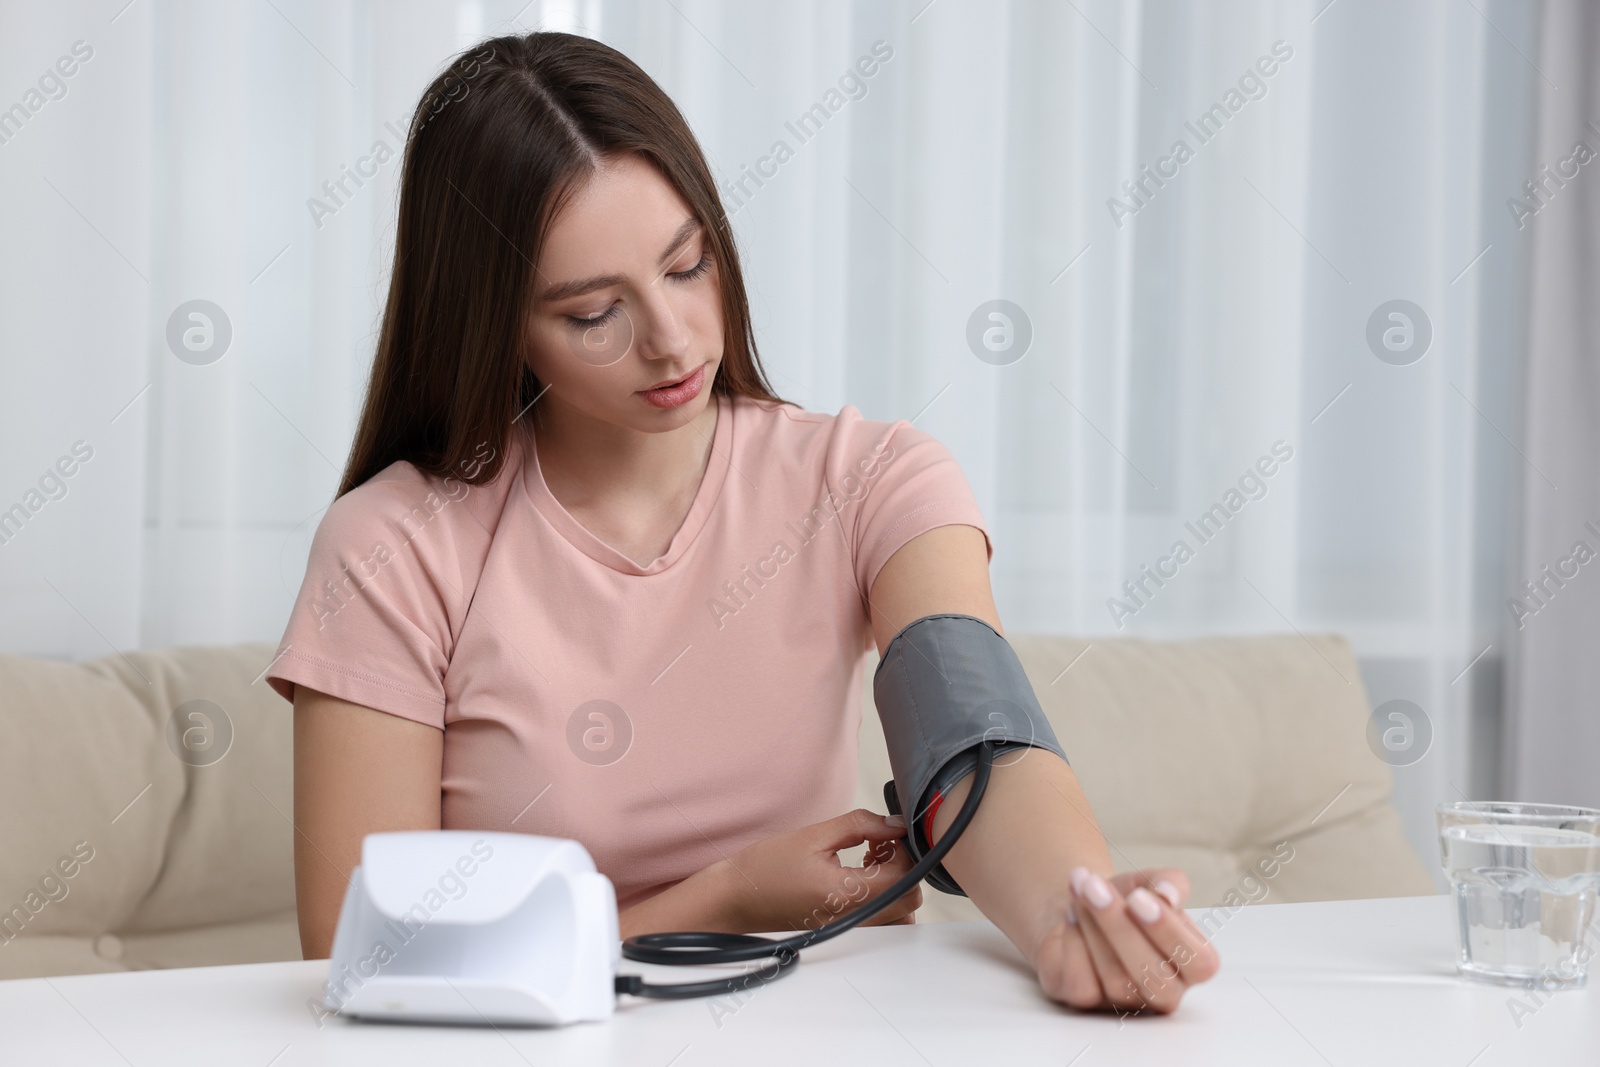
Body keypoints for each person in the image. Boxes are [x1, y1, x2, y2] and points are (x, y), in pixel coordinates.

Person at [266, 30, 1219, 1016]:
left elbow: (974, 744)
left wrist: (1074, 914)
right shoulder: (391, 545)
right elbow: (352, 950)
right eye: (594, 313)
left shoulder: (870, 476)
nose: (672, 339)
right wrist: (724, 896)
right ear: (493, 318)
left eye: (686, 266)